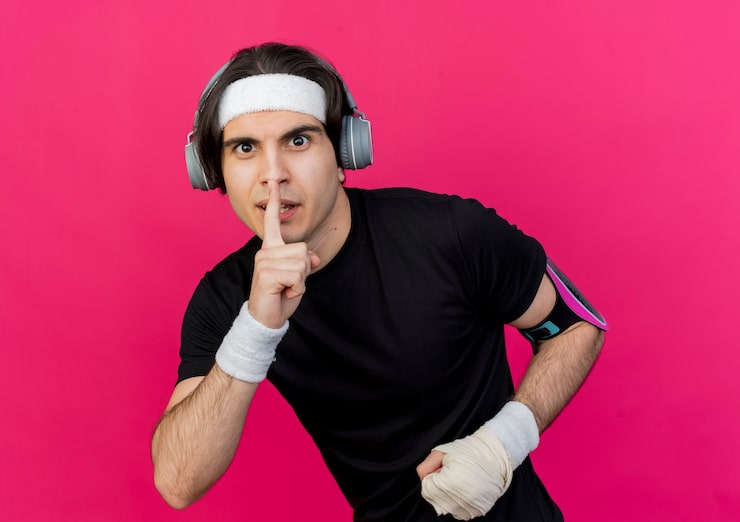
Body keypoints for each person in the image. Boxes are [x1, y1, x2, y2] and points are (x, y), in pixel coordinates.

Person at [151, 42, 607, 521]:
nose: (273, 175)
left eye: (298, 141)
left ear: (344, 154)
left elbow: (577, 324)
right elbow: (178, 483)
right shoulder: (226, 298)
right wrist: (255, 329)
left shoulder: (449, 234)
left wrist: (503, 441)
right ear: (215, 173)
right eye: (245, 148)